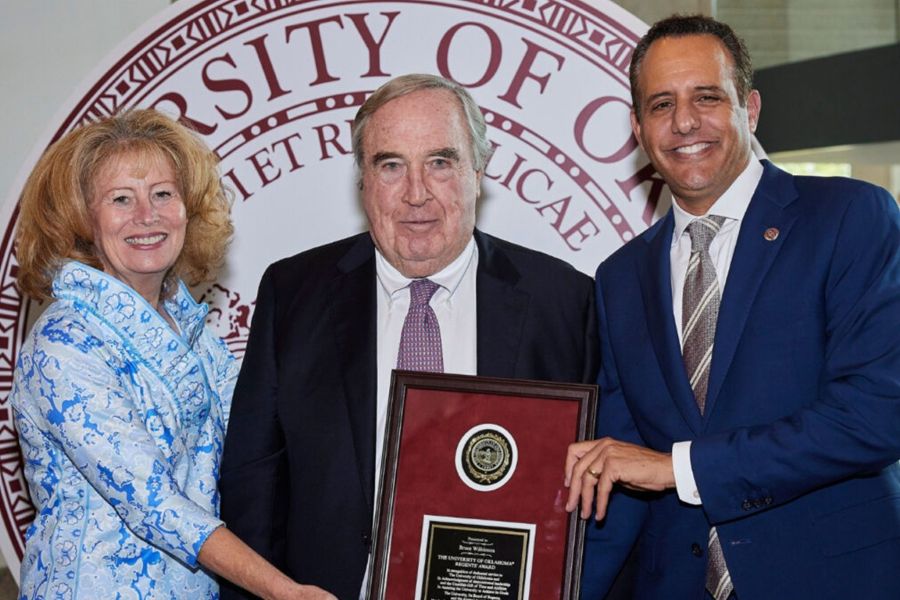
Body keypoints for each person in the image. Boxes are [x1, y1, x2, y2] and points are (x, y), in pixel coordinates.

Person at [219, 73, 600, 599]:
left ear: (478, 173)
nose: (416, 193)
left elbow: (595, 489)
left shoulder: (563, 301)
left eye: (440, 163)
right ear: (363, 182)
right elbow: (252, 482)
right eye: (391, 165)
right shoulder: (293, 293)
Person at [565, 14, 900, 600]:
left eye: (707, 97)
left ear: (750, 109)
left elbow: (876, 414)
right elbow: (613, 479)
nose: (685, 121)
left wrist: (682, 468)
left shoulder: (850, 218)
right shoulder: (619, 278)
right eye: (661, 104)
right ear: (640, 130)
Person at [11, 109, 334, 599]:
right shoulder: (64, 343)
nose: (148, 215)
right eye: (121, 199)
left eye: (163, 193)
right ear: (82, 219)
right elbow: (155, 504)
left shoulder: (192, 327)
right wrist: (284, 591)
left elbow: (261, 443)